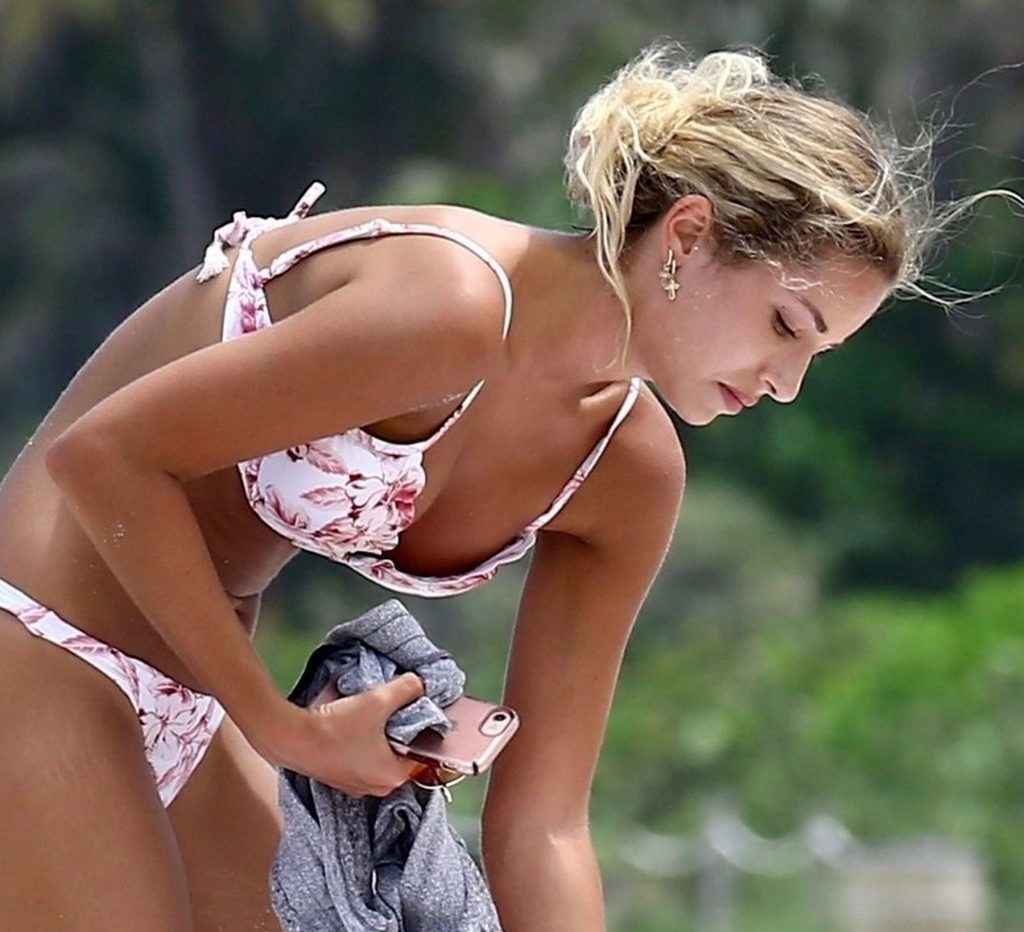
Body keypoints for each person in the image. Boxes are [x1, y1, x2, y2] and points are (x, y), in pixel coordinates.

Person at [0, 37, 1013, 931]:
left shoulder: (626, 472)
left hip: (189, 695)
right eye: (786, 325)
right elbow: (101, 457)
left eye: (817, 355)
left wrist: (272, 725)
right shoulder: (450, 305)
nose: (786, 384)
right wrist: (283, 726)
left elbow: (543, 823)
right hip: (42, 640)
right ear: (687, 235)